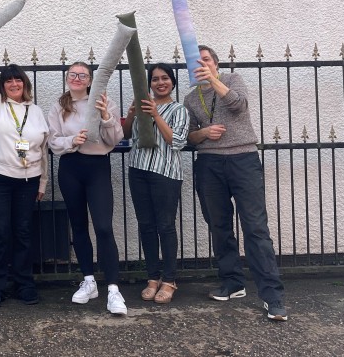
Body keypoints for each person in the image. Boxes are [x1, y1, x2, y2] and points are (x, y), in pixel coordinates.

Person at [184, 45, 288, 321]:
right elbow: (190, 137)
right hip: (209, 164)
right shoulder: (190, 98)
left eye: (206, 60)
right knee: (218, 225)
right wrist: (204, 132)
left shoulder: (231, 80)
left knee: (255, 227)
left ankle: (272, 295)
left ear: (216, 64)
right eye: (198, 62)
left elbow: (238, 104)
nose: (202, 65)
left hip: (243, 159)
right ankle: (232, 282)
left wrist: (213, 80)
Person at [47, 62, 128, 315]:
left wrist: (105, 117)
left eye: (82, 75)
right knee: (79, 226)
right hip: (70, 167)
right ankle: (89, 280)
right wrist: (72, 140)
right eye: (73, 74)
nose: (77, 78)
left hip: (97, 167)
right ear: (67, 78)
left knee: (103, 226)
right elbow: (52, 140)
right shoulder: (60, 106)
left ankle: (113, 289)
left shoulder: (104, 102)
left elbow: (115, 139)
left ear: (91, 80)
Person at [0, 41, 48, 307]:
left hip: (28, 181)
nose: (14, 84)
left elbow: (43, 150)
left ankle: (24, 283)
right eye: (9, 80)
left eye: (18, 80)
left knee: (23, 231)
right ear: (2, 85)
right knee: (0, 231)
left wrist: (42, 182)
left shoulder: (37, 112)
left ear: (25, 84)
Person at [122, 63, 189, 305]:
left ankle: (169, 280)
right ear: (149, 83)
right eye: (155, 79)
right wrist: (131, 115)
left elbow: (177, 142)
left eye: (165, 78)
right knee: (146, 225)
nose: (160, 82)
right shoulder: (143, 105)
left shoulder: (179, 109)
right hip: (138, 169)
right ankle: (152, 277)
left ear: (172, 81)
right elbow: (127, 135)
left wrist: (156, 115)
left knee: (166, 225)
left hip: (165, 172)